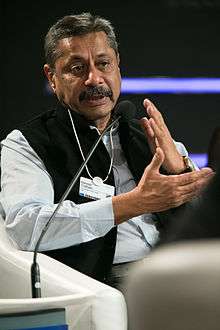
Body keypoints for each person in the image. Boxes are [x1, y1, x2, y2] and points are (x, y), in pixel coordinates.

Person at [0, 12, 213, 291]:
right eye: (77, 69)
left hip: (178, 273)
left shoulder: (151, 137)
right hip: (99, 286)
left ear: (118, 66)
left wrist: (181, 174)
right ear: (52, 78)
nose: (94, 79)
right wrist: (133, 203)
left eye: (104, 64)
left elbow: (205, 230)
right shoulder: (27, 143)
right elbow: (27, 228)